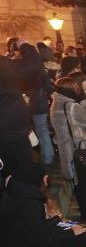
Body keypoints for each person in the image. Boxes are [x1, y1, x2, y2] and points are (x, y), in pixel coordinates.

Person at [50, 77, 86, 222]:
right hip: (78, 149)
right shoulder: (71, 106)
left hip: (67, 150)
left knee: (79, 182)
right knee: (85, 182)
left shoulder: (56, 104)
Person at [0, 39, 46, 175]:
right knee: (22, 170)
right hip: (9, 128)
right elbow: (33, 67)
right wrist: (24, 46)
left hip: (7, 126)